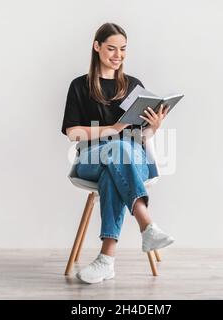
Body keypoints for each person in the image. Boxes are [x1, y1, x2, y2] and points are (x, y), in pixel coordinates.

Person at [61, 22, 174, 284]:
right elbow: (72, 133)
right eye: (111, 48)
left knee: (118, 160)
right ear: (96, 47)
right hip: (91, 158)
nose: (118, 55)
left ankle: (106, 260)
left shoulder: (134, 86)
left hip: (133, 159)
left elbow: (141, 137)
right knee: (118, 148)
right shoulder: (80, 86)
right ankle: (146, 224)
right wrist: (111, 129)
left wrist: (153, 129)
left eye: (123, 49)